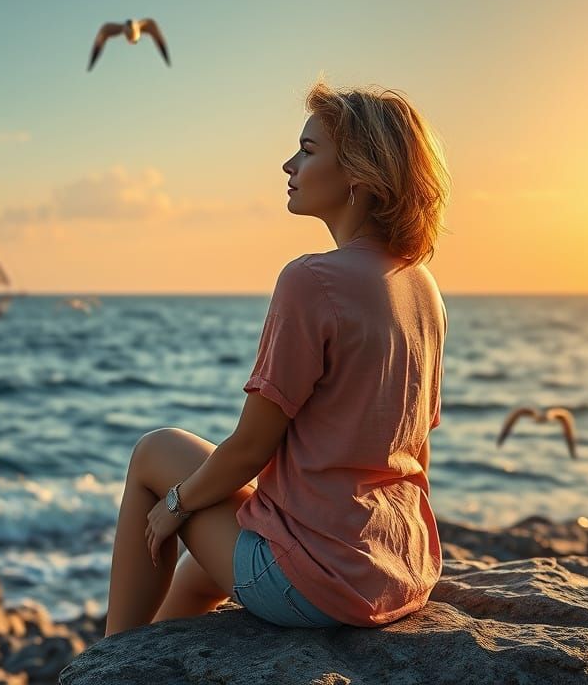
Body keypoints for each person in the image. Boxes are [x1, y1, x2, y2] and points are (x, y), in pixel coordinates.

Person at [104, 77, 451, 636]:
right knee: (196, 576)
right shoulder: (422, 285)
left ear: (360, 175)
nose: (288, 165)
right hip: (400, 568)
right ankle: (139, 668)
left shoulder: (312, 279)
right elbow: (414, 448)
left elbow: (249, 449)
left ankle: (111, 657)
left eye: (308, 151)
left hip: (322, 584)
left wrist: (175, 504)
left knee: (155, 452)